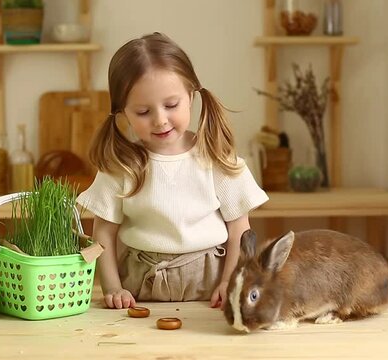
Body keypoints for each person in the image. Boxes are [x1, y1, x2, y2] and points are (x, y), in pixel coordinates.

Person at [76, 32, 268, 310]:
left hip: (210, 288)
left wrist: (230, 282)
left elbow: (240, 228)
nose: (160, 120)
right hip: (140, 288)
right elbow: (103, 232)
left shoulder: (215, 156)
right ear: (123, 113)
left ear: (190, 96)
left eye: (171, 105)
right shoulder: (121, 164)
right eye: (143, 112)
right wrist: (113, 287)